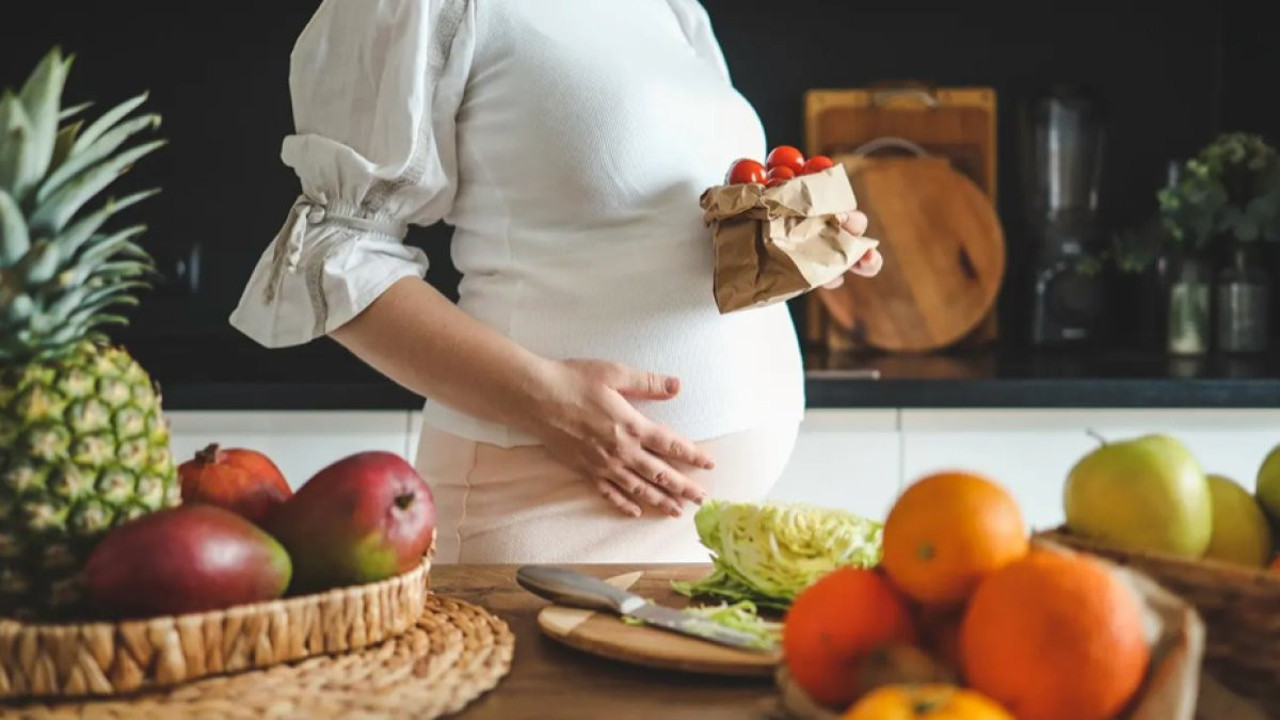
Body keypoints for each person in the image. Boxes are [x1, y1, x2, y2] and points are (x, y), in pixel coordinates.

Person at [229, 0, 883, 564]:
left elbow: (655, 226)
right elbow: (333, 251)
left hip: (716, 528)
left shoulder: (667, 8)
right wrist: (548, 400)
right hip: (550, 517)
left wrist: (793, 237)